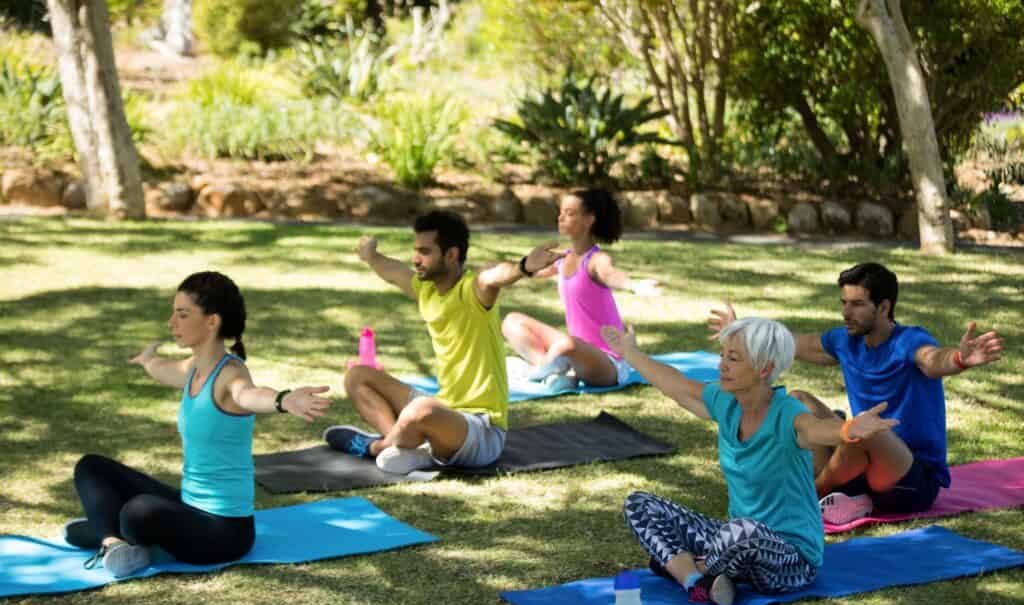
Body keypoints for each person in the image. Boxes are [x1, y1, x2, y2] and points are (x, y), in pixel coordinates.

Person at [603, 317, 896, 605]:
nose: (722, 365)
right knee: (639, 504)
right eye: (723, 356)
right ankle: (696, 582)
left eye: (733, 358)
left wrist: (847, 430)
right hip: (735, 545)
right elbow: (675, 384)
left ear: (764, 368)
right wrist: (630, 353)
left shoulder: (786, 413)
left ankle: (689, 567)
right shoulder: (725, 401)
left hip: (790, 561)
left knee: (743, 530)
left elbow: (814, 429)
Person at [66, 271, 331, 577]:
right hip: (188, 505)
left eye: (182, 314)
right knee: (91, 466)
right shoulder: (194, 368)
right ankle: (114, 543)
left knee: (137, 511)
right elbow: (165, 371)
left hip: (224, 532)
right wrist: (148, 361)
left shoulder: (230, 374)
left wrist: (283, 400)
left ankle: (110, 529)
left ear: (211, 321)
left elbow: (249, 395)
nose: (171, 323)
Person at [708, 262, 1004, 525]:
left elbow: (932, 360)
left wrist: (960, 360)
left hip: (912, 481)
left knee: (864, 429)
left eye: (858, 304)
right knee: (798, 400)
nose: (846, 312)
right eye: (844, 302)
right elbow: (790, 343)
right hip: (863, 466)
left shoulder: (909, 341)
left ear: (884, 307)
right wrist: (740, 331)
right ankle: (849, 498)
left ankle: (810, 496)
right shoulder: (845, 341)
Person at [324, 210, 561, 474]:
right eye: (415, 250)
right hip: (444, 407)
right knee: (357, 376)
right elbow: (392, 271)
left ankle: (378, 447)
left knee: (421, 409)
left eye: (425, 251)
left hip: (482, 430)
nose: (416, 259)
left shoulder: (474, 291)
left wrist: (524, 266)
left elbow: (494, 276)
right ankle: (408, 447)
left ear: (451, 255)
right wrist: (371, 256)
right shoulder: (425, 289)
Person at [501, 189, 660, 392]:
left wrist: (634, 285)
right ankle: (555, 371)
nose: (560, 217)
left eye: (569, 213)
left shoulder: (596, 260)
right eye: (560, 211)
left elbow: (611, 275)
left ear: (588, 220)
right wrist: (520, 265)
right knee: (512, 322)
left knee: (568, 345)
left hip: (608, 362)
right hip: (574, 350)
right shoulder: (562, 258)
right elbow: (528, 272)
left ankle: (545, 370)